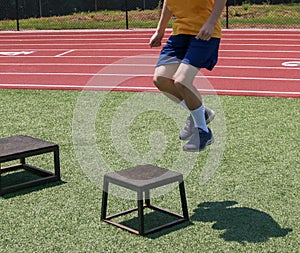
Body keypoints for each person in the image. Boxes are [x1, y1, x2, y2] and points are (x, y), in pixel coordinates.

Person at [149, 0, 227, 152]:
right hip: (180, 34)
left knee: (182, 81)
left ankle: (203, 132)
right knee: (160, 79)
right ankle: (201, 111)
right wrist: (160, 30)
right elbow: (168, 2)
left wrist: (211, 23)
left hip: (204, 32)